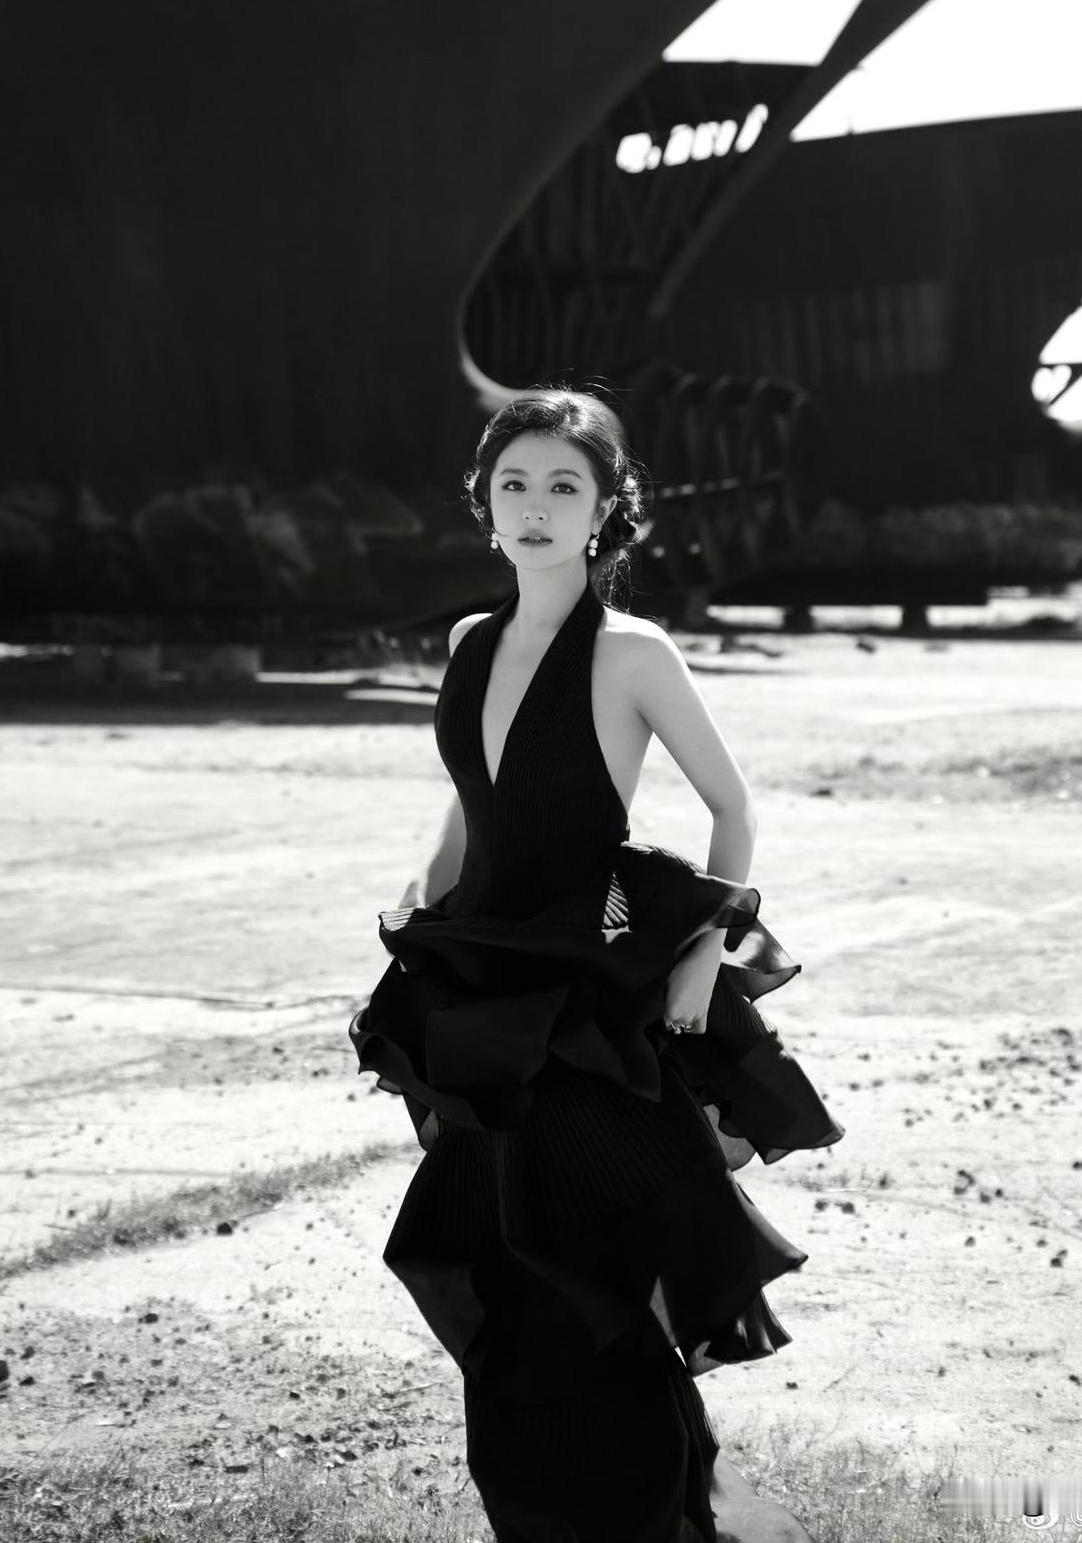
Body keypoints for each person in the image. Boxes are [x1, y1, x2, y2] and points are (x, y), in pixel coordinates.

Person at [350, 385, 844, 1543]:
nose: (533, 507)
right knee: (487, 1254)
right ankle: (535, 1514)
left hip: (583, 990)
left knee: (589, 1267)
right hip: (478, 985)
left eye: (561, 486)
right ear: (484, 504)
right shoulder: (470, 643)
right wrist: (421, 897)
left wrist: (705, 955)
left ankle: (651, 1514)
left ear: (604, 509)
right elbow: (472, 803)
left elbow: (732, 809)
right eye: (512, 484)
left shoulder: (632, 654)